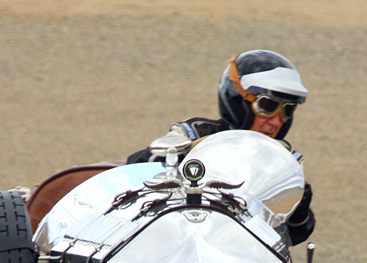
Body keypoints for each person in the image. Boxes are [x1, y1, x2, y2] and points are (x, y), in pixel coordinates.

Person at [127, 49, 315, 246]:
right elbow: (137, 165)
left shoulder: (284, 161)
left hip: (247, 254)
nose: (276, 121)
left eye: (287, 110)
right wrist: (179, 155)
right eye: (267, 106)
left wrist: (299, 203)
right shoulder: (194, 133)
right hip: (181, 244)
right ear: (237, 99)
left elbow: (295, 234)